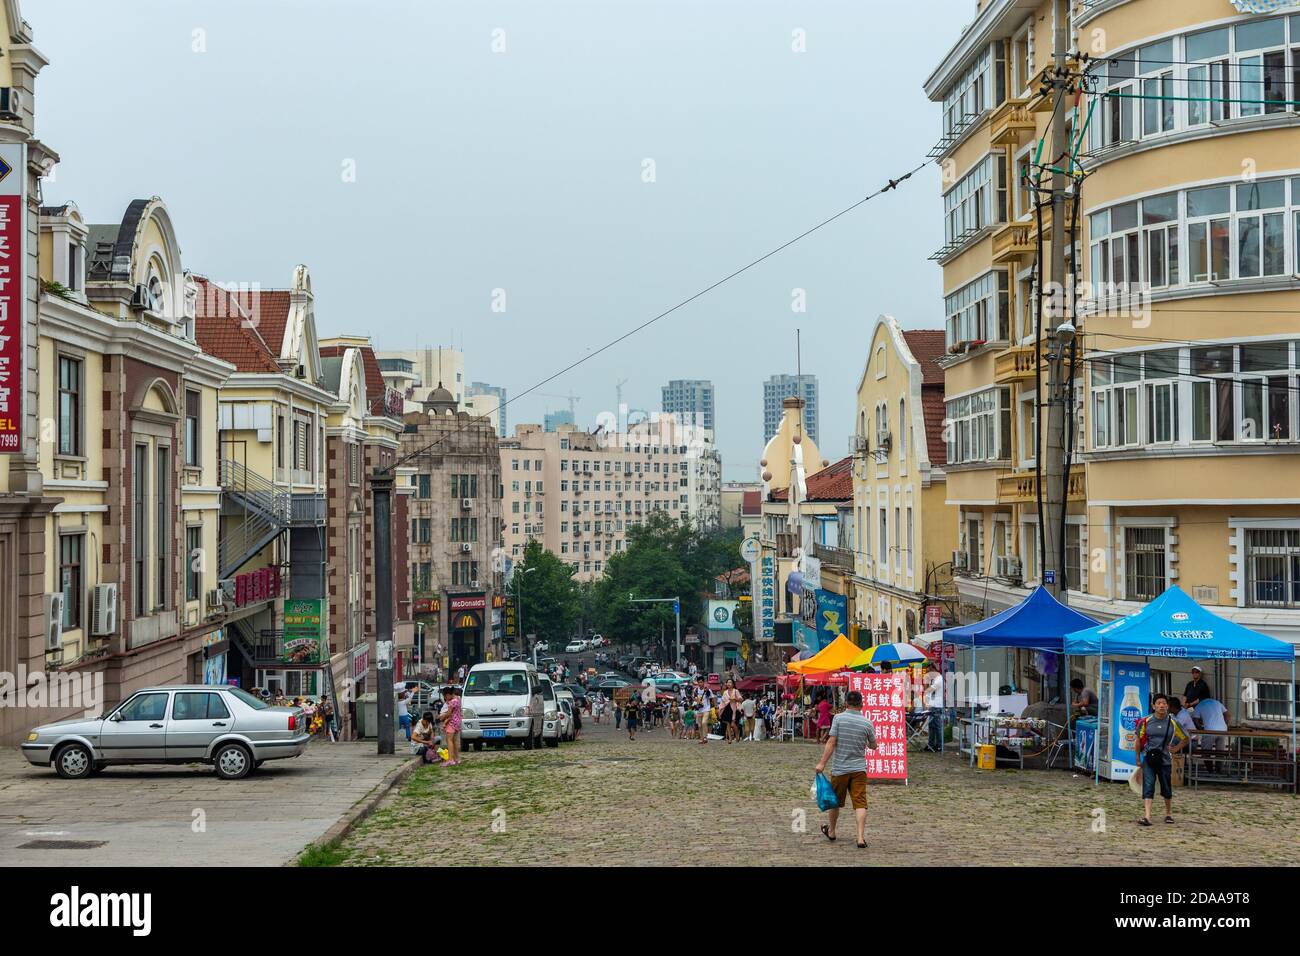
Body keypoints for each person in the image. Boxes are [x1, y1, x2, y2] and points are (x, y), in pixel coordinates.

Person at [814, 689, 877, 850]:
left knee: (835, 802)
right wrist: (868, 743)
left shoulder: (839, 719)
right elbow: (873, 745)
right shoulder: (867, 723)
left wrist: (822, 763)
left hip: (840, 769)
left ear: (846, 703)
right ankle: (861, 838)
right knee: (860, 803)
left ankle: (833, 831)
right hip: (859, 770)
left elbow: (831, 742)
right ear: (861, 705)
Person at [1135, 694, 1187, 826]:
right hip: (1149, 758)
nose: (1162, 705)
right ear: (1153, 706)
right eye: (1158, 703)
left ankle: (1168, 813)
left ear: (1167, 706)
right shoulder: (1145, 721)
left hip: (1165, 760)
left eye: (1164, 703)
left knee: (1166, 786)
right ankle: (1147, 816)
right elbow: (1138, 740)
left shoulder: (1173, 722)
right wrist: (1138, 758)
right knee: (1148, 785)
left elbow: (1185, 737)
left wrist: (1175, 749)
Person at [437, 686, 462, 766]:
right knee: (454, 741)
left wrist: (442, 717)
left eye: (445, 696)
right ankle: (456, 758)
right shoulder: (458, 699)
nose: (445, 698)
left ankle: (450, 759)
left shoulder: (452, 702)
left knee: (449, 740)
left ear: (448, 694)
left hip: (451, 723)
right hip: (457, 722)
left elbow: (449, 713)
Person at [923, 663, 945, 752]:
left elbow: (931, 689)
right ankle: (931, 744)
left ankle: (940, 745)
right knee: (931, 726)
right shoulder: (933, 679)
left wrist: (925, 685)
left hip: (937, 705)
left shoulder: (939, 679)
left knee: (937, 726)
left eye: (929, 671)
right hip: (932, 705)